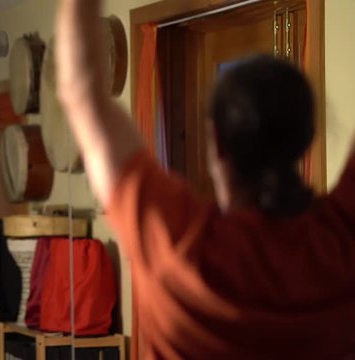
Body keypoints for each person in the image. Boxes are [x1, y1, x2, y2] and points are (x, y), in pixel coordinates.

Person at [54, 0, 355, 358]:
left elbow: (80, 91)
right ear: (307, 137)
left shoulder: (180, 244)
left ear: (217, 144)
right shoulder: (343, 241)